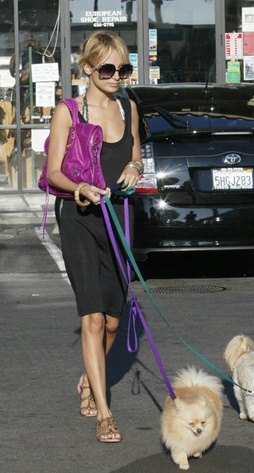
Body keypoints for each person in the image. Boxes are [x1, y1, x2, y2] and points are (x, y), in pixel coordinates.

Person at [46, 30, 143, 443]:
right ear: (87, 68)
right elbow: (52, 172)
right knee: (93, 317)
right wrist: (79, 188)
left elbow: (135, 154)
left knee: (113, 323)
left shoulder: (129, 108)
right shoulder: (69, 111)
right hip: (81, 218)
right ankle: (105, 413)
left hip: (120, 218)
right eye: (108, 68)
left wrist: (136, 168)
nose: (116, 75)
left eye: (123, 68)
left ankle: (90, 379)